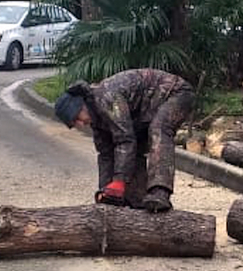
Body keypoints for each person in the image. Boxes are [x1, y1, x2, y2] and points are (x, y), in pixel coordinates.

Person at [53, 69, 194, 213]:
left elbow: (125, 140)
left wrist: (119, 181)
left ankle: (160, 192)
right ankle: (139, 202)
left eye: (77, 118)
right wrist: (106, 191)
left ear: (81, 105)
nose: (80, 124)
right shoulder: (96, 120)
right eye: (75, 123)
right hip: (145, 111)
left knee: (158, 129)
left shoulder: (106, 98)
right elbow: (106, 154)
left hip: (176, 94)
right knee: (135, 150)